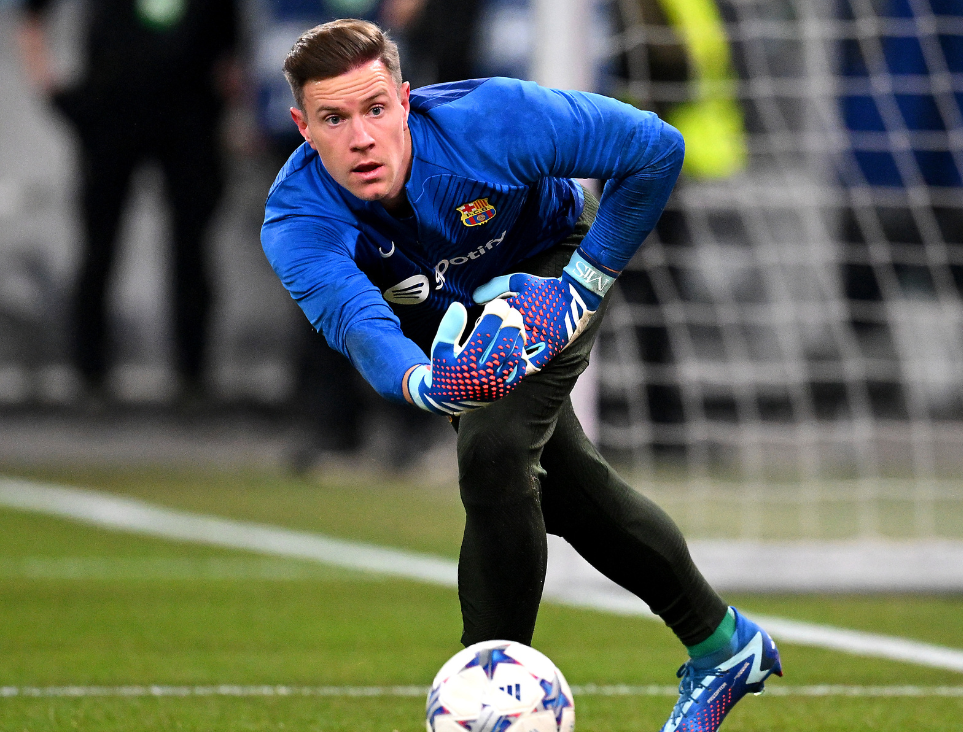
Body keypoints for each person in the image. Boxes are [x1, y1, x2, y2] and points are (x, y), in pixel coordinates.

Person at [260, 19, 781, 732]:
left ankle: (489, 700)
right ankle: (726, 646)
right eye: (334, 118)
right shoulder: (296, 217)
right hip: (445, 334)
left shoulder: (493, 121)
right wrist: (429, 384)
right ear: (302, 126)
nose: (360, 137)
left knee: (495, 451)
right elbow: (361, 325)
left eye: (376, 108)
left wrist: (580, 288)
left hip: (549, 271)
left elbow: (657, 150)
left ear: (405, 101)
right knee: (561, 490)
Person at [17, 0, 238, 400]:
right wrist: (50, 84)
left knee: (192, 247)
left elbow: (231, 44)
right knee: (100, 245)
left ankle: (193, 374)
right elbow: (32, 14)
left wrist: (232, 108)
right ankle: (89, 374)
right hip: (110, 109)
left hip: (190, 114)